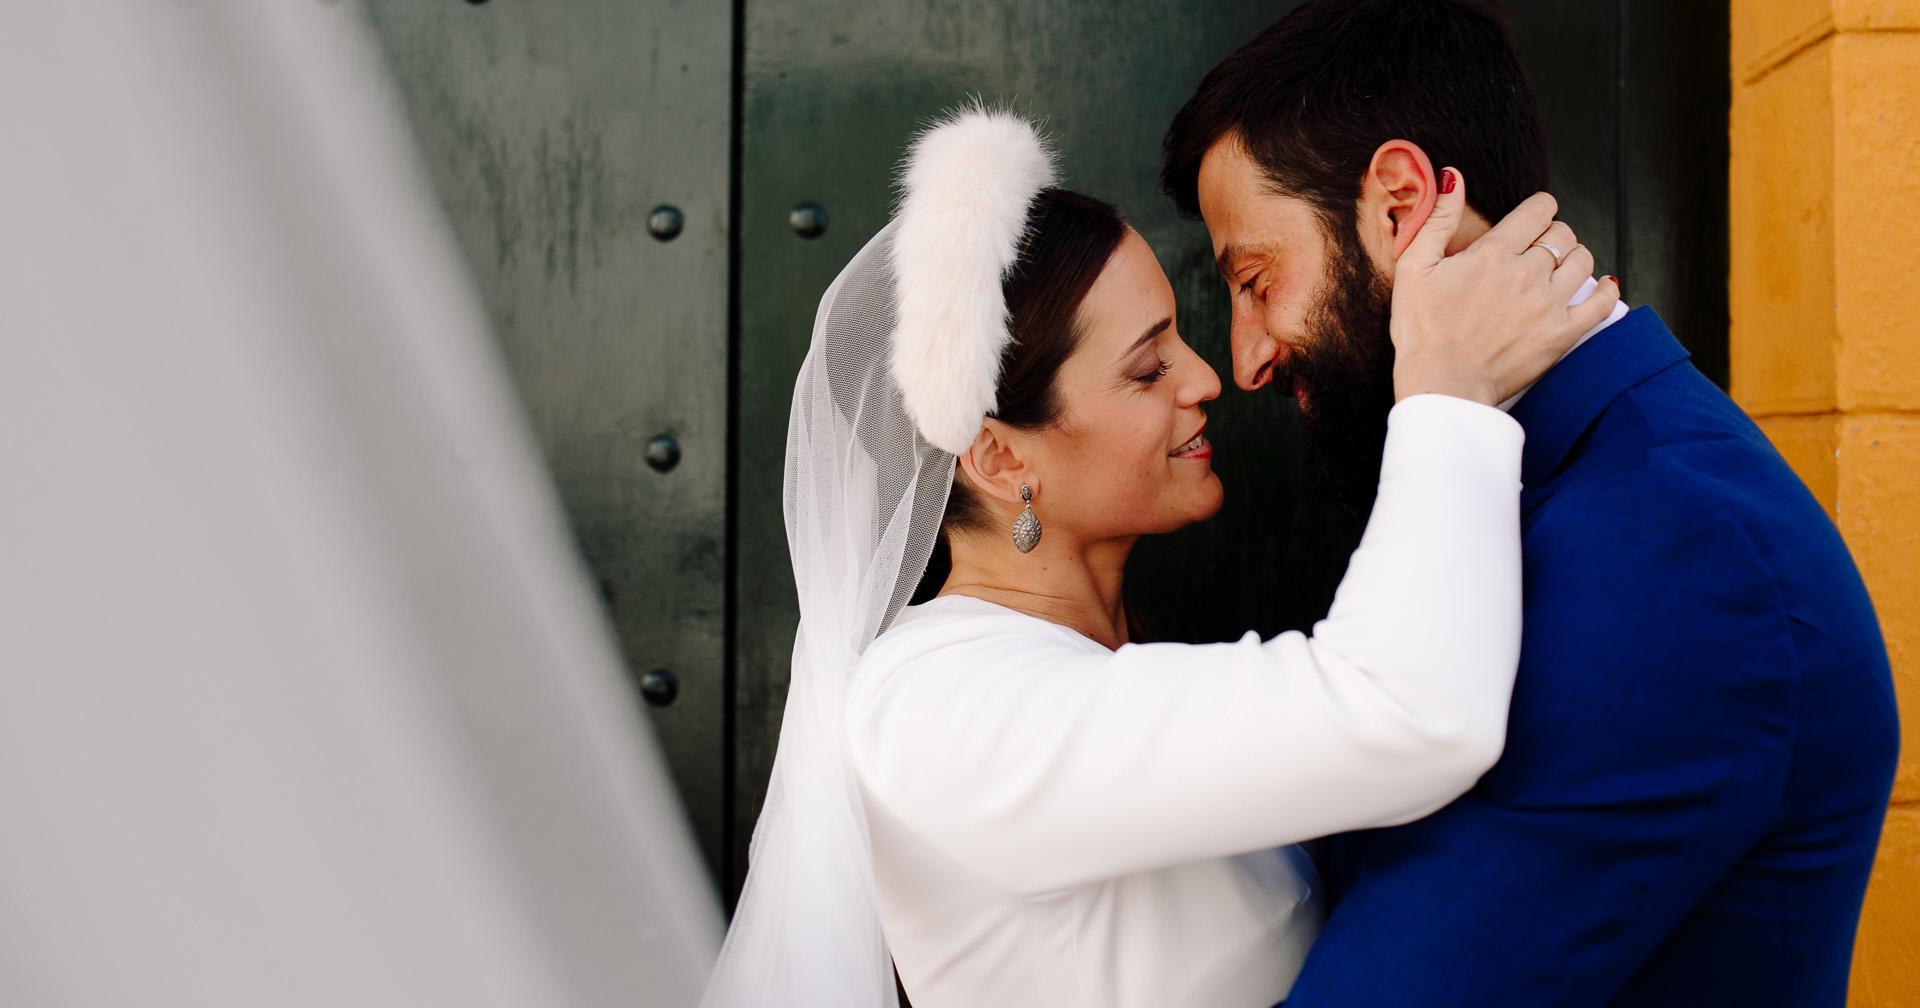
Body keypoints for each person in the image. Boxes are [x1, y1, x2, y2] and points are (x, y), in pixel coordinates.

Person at [699, 104, 1614, 1008]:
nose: (1209, 378)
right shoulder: (938, 710)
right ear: (1001, 457)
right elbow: (1409, 714)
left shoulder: (1102, 663)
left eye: (1179, 338)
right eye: (1148, 369)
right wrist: (1446, 383)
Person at [1160, 1, 1900, 1004]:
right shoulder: (1509, 481)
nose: (1245, 358)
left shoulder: (1679, 559)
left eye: (1256, 279)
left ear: (1399, 204)